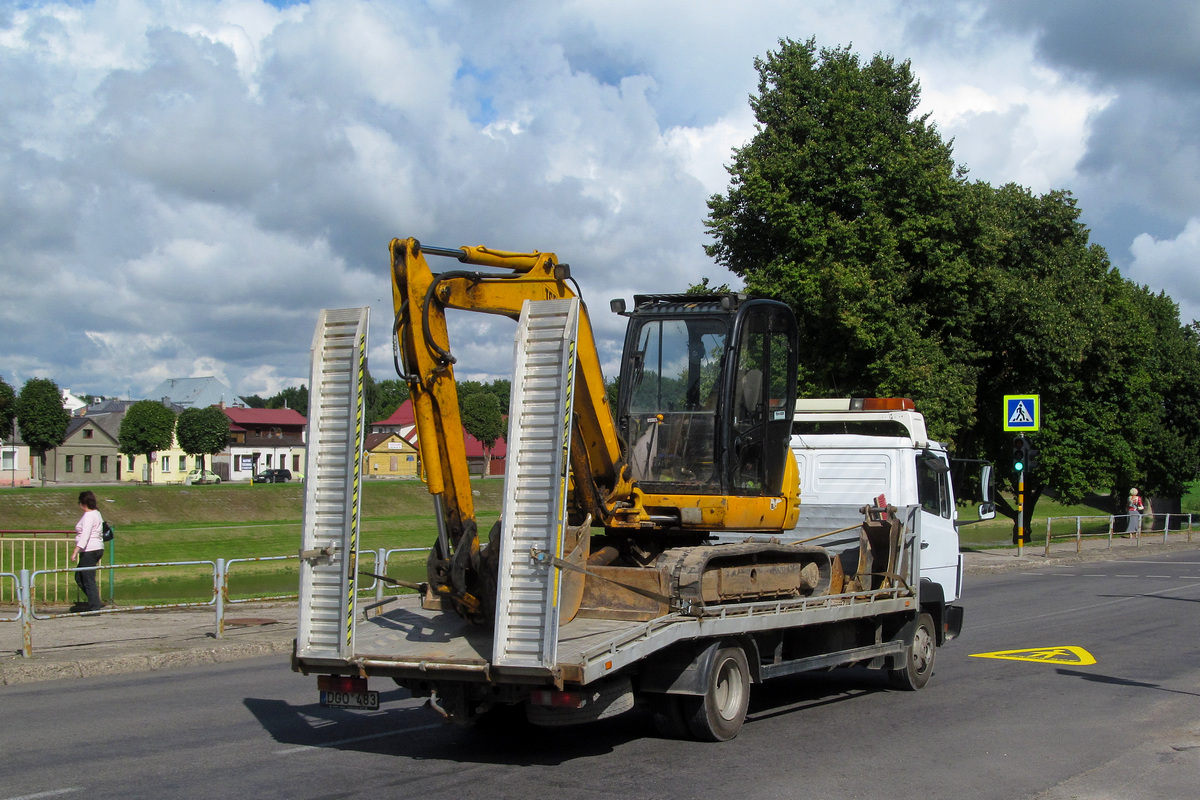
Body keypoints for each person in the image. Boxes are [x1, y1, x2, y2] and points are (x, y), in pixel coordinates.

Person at [72, 490, 106, 611]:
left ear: (82, 503)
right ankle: (95, 601)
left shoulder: (88, 516)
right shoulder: (97, 513)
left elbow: (85, 535)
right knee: (80, 576)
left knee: (87, 579)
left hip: (89, 549)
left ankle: (95, 606)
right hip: (97, 548)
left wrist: (75, 551)